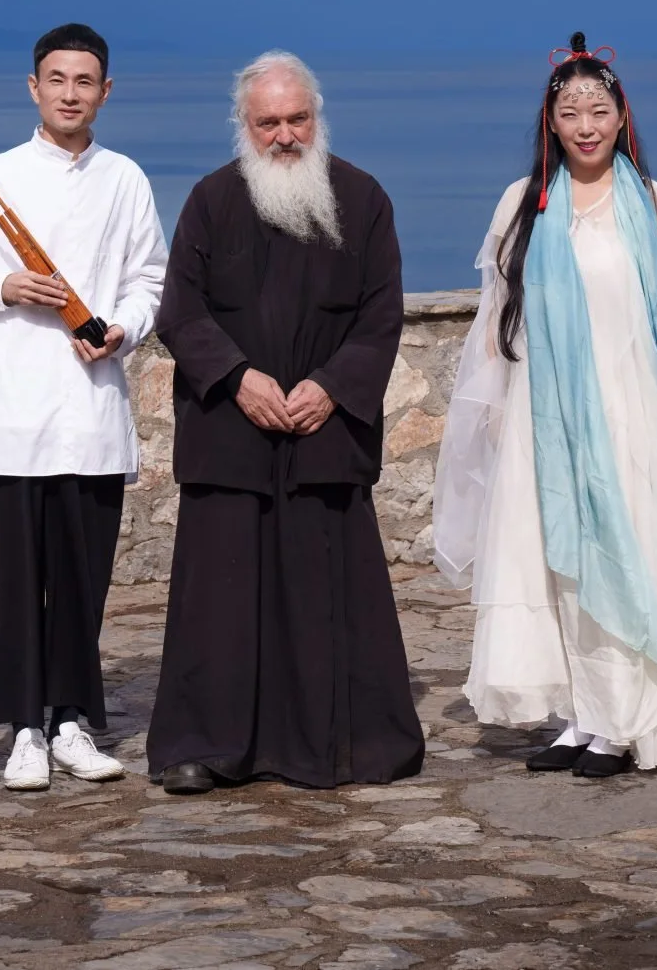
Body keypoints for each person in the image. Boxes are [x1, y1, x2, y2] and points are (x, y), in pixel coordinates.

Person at [433, 36, 657, 777]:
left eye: (598, 110)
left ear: (621, 115)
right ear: (551, 121)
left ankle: (628, 722)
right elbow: (497, 313)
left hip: (632, 411)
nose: (585, 126)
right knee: (557, 566)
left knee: (628, 560)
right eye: (570, 112)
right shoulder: (526, 202)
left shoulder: (654, 204)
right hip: (545, 413)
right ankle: (581, 715)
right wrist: (497, 404)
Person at [146, 50, 423, 794]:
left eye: (297, 119)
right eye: (267, 122)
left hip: (321, 432)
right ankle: (206, 746)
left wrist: (331, 388)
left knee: (322, 598)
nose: (284, 136)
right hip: (230, 431)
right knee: (220, 602)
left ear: (316, 117)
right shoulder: (210, 200)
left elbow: (382, 313)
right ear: (244, 125)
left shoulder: (363, 199)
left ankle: (333, 747)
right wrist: (238, 378)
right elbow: (180, 311)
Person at [0, 23, 168, 791]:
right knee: (8, 587)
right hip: (10, 415)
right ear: (34, 87)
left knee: (82, 582)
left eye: (84, 80)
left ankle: (70, 721)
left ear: (105, 91)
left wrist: (123, 328)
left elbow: (150, 279)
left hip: (91, 414)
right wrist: (3, 285)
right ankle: (23, 726)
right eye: (56, 79)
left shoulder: (125, 179)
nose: (69, 93)